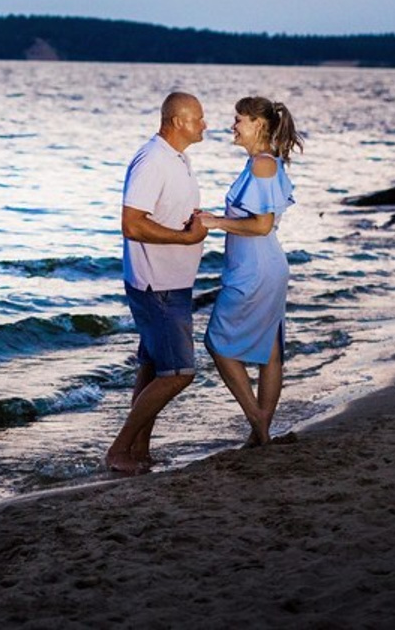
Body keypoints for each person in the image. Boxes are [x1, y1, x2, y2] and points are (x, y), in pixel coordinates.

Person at [105, 91, 209, 474]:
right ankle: (118, 450)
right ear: (178, 121)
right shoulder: (152, 160)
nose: (204, 125)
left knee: (151, 368)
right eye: (198, 118)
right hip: (157, 284)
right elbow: (132, 224)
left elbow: (167, 213)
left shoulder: (178, 158)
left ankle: (139, 451)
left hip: (173, 280)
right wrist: (185, 238)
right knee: (180, 373)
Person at [198, 95, 303, 447]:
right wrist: (216, 219)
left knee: (217, 342)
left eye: (239, 119)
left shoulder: (262, 165)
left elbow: (260, 225)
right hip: (265, 264)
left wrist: (215, 222)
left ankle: (258, 423)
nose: (233, 126)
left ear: (258, 124)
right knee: (270, 351)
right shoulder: (263, 162)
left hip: (255, 269)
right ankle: (260, 434)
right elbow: (255, 222)